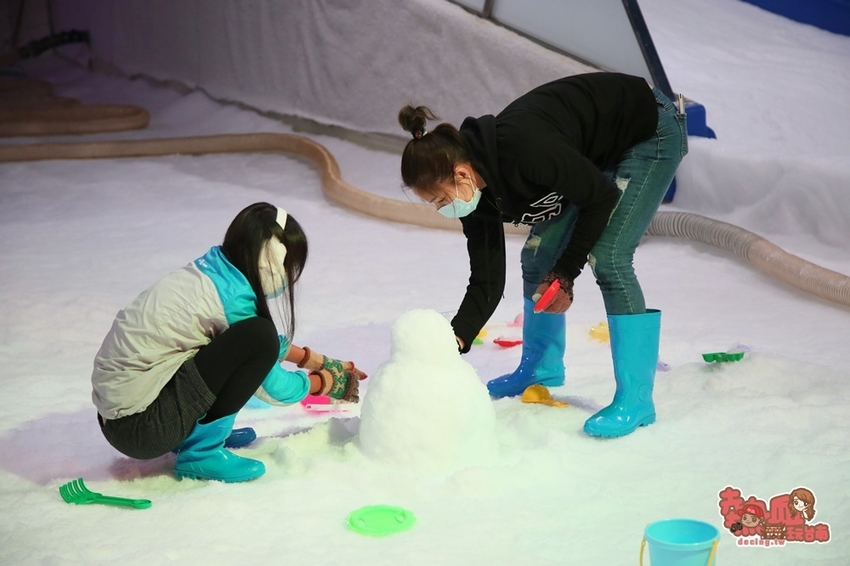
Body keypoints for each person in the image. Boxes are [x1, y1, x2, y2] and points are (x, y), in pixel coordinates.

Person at [397, 72, 687, 438]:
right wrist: (455, 340)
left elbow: (599, 198)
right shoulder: (477, 195)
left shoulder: (524, 150)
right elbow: (486, 277)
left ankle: (637, 399)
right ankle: (542, 367)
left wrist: (565, 273)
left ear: (461, 173)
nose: (443, 209)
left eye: (441, 199)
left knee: (609, 256)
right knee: (537, 257)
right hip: (595, 151)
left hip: (648, 129)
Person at [92, 202, 367, 482]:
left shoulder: (215, 274)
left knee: (255, 337)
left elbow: (242, 345)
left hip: (122, 420)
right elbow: (271, 385)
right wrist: (326, 382)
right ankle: (202, 452)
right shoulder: (231, 301)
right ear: (271, 264)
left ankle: (199, 432)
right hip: (143, 429)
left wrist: (318, 361)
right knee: (258, 335)